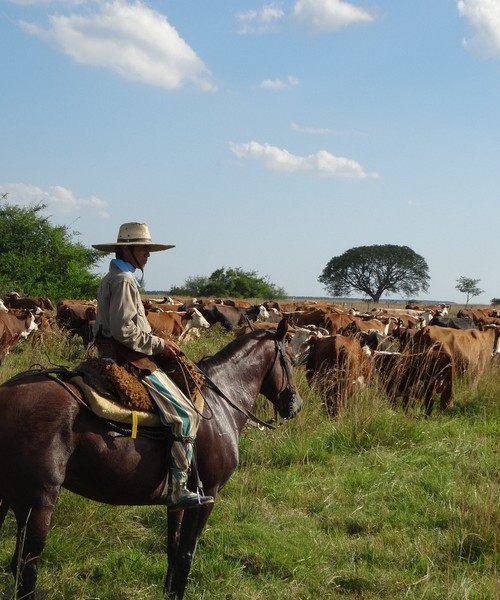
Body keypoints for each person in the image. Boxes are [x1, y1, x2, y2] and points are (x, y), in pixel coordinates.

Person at [92, 222, 214, 511]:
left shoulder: (118, 276)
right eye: (144, 248)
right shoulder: (123, 280)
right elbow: (124, 331)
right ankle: (178, 489)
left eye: (149, 249)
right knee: (184, 414)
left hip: (121, 352)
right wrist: (160, 345)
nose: (148, 254)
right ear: (127, 249)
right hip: (128, 358)